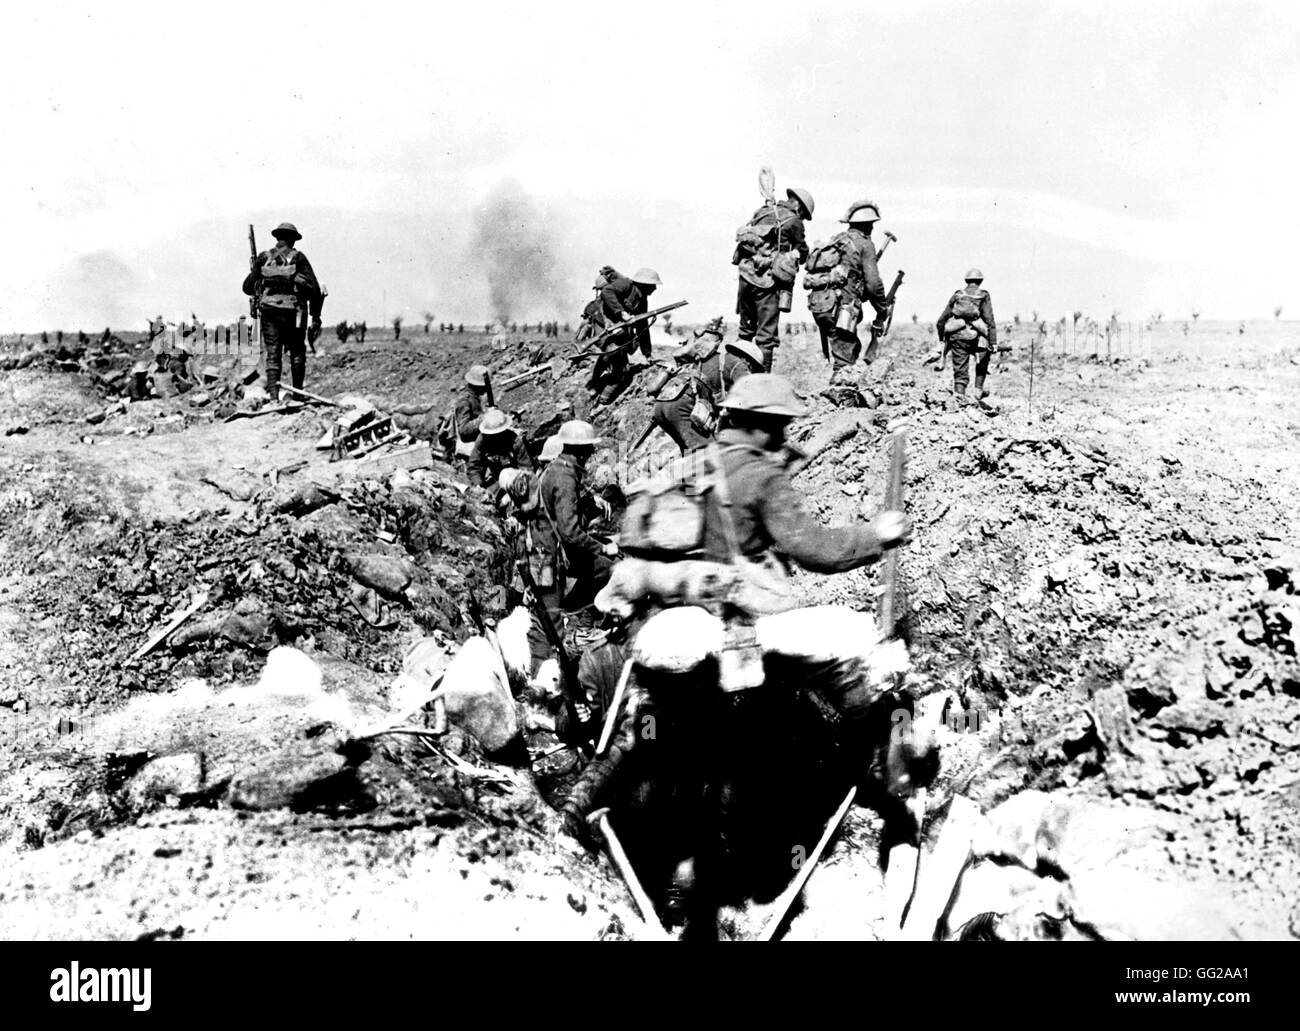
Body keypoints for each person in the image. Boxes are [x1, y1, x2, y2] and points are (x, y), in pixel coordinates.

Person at [804, 200, 891, 374]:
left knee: (844, 351)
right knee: (844, 360)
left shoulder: (837, 241)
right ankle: (840, 398)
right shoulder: (865, 244)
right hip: (842, 309)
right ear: (866, 226)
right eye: (871, 225)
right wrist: (882, 309)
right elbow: (874, 284)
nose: (873, 229)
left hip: (821, 305)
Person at [241, 222, 325, 401]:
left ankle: (273, 398)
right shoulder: (299, 257)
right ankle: (298, 395)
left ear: (277, 238)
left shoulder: (264, 257)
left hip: (269, 312)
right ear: (293, 240)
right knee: (297, 352)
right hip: (294, 313)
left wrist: (258, 279)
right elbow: (315, 290)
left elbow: (246, 287)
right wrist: (316, 316)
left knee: (273, 354)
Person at [733, 187, 812, 371]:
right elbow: (803, 250)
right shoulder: (794, 221)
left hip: (745, 276)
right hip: (768, 282)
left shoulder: (762, 211)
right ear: (799, 206)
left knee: (745, 332)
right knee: (766, 337)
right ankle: (762, 385)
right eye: (803, 213)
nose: (801, 216)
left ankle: (735, 376)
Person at [935, 268, 997, 401]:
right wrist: (993, 342)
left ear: (966, 281)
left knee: (960, 370)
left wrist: (942, 339)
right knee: (983, 360)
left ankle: (959, 399)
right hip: (977, 338)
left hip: (957, 338)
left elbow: (941, 320)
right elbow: (990, 320)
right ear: (980, 281)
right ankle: (978, 391)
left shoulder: (958, 295)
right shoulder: (983, 295)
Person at [467, 408, 534, 491]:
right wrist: (479, 486)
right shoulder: (482, 440)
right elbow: (474, 467)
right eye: (491, 434)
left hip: (515, 480)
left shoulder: (515, 441)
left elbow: (527, 469)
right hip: (497, 480)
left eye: (497, 433)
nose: (494, 437)